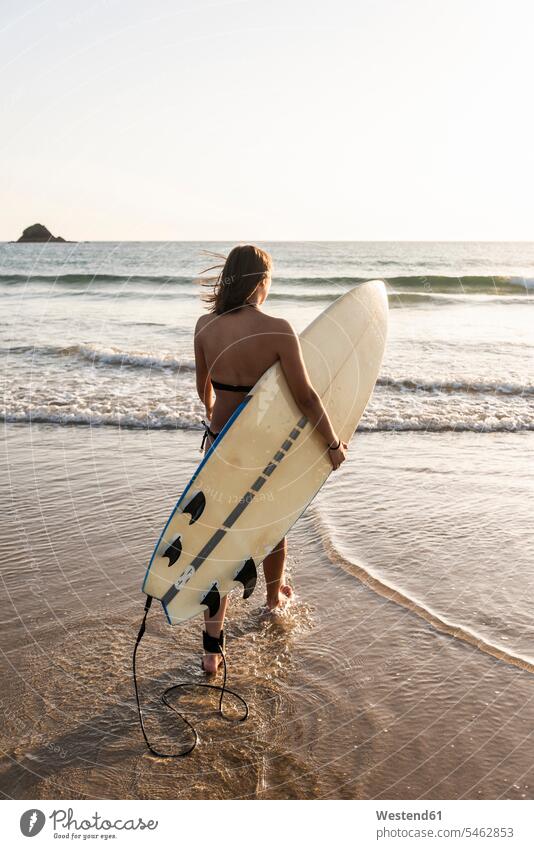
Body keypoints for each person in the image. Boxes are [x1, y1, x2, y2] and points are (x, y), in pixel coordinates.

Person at [194, 244, 347, 673]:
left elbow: (203, 391)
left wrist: (216, 423)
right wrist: (333, 444)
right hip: (263, 449)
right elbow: (306, 397)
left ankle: (211, 649)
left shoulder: (205, 327)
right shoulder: (278, 329)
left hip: (220, 447)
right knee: (272, 525)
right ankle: (273, 601)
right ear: (261, 281)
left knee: (218, 542)